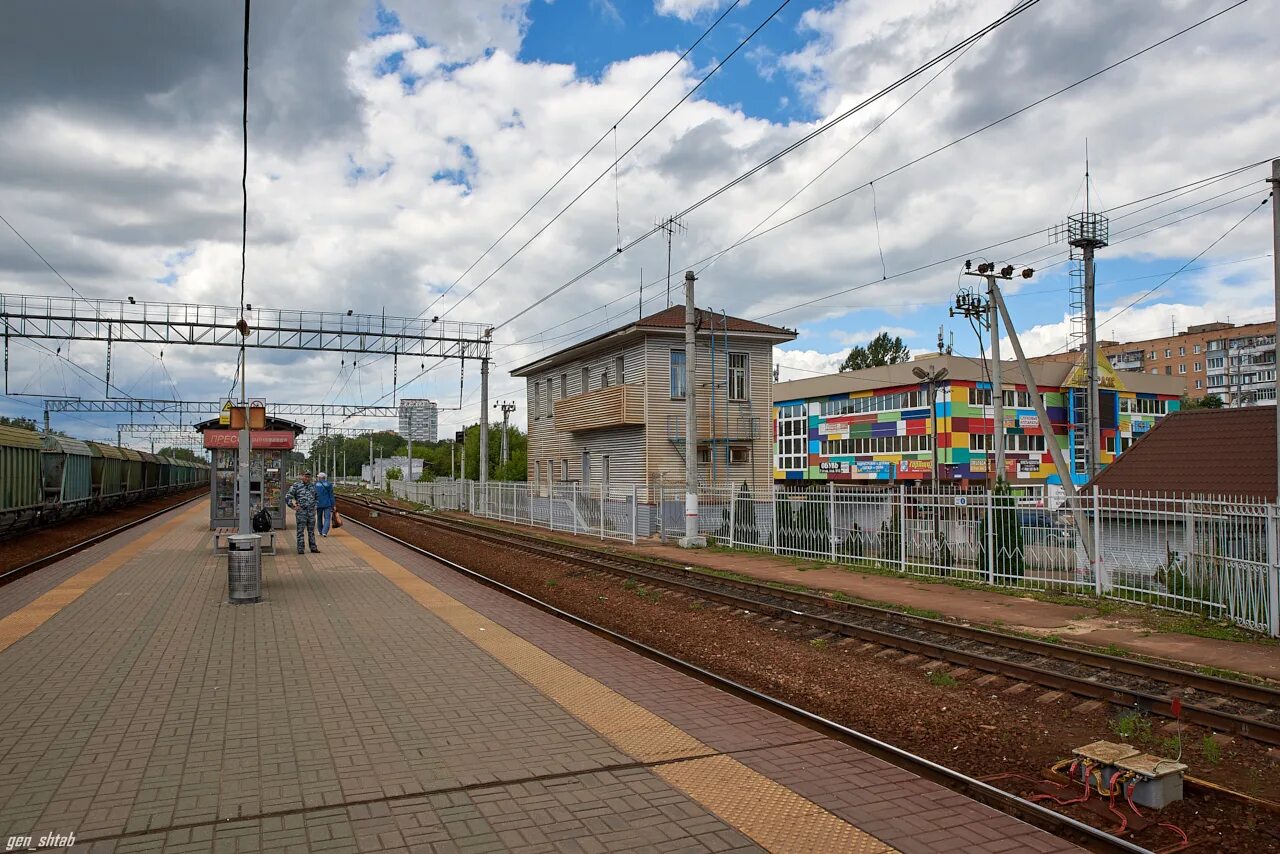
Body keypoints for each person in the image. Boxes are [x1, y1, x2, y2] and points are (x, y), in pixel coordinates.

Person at [285, 471, 320, 554]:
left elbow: (317, 497)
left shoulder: (313, 486)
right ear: (302, 476)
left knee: (311, 531)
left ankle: (313, 548)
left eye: (308, 477)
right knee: (300, 531)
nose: (307, 478)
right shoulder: (296, 486)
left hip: (311, 512)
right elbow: (287, 497)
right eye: (305, 476)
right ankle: (300, 549)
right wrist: (293, 507)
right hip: (301, 512)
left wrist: (315, 507)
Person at [314, 472, 336, 537]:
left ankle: (320, 531)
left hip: (318, 504)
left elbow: (314, 494)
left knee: (319, 518)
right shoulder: (329, 484)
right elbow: (331, 495)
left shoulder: (316, 484)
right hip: (327, 504)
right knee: (327, 518)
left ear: (320, 477)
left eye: (318, 477)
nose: (317, 478)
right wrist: (333, 505)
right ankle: (324, 532)